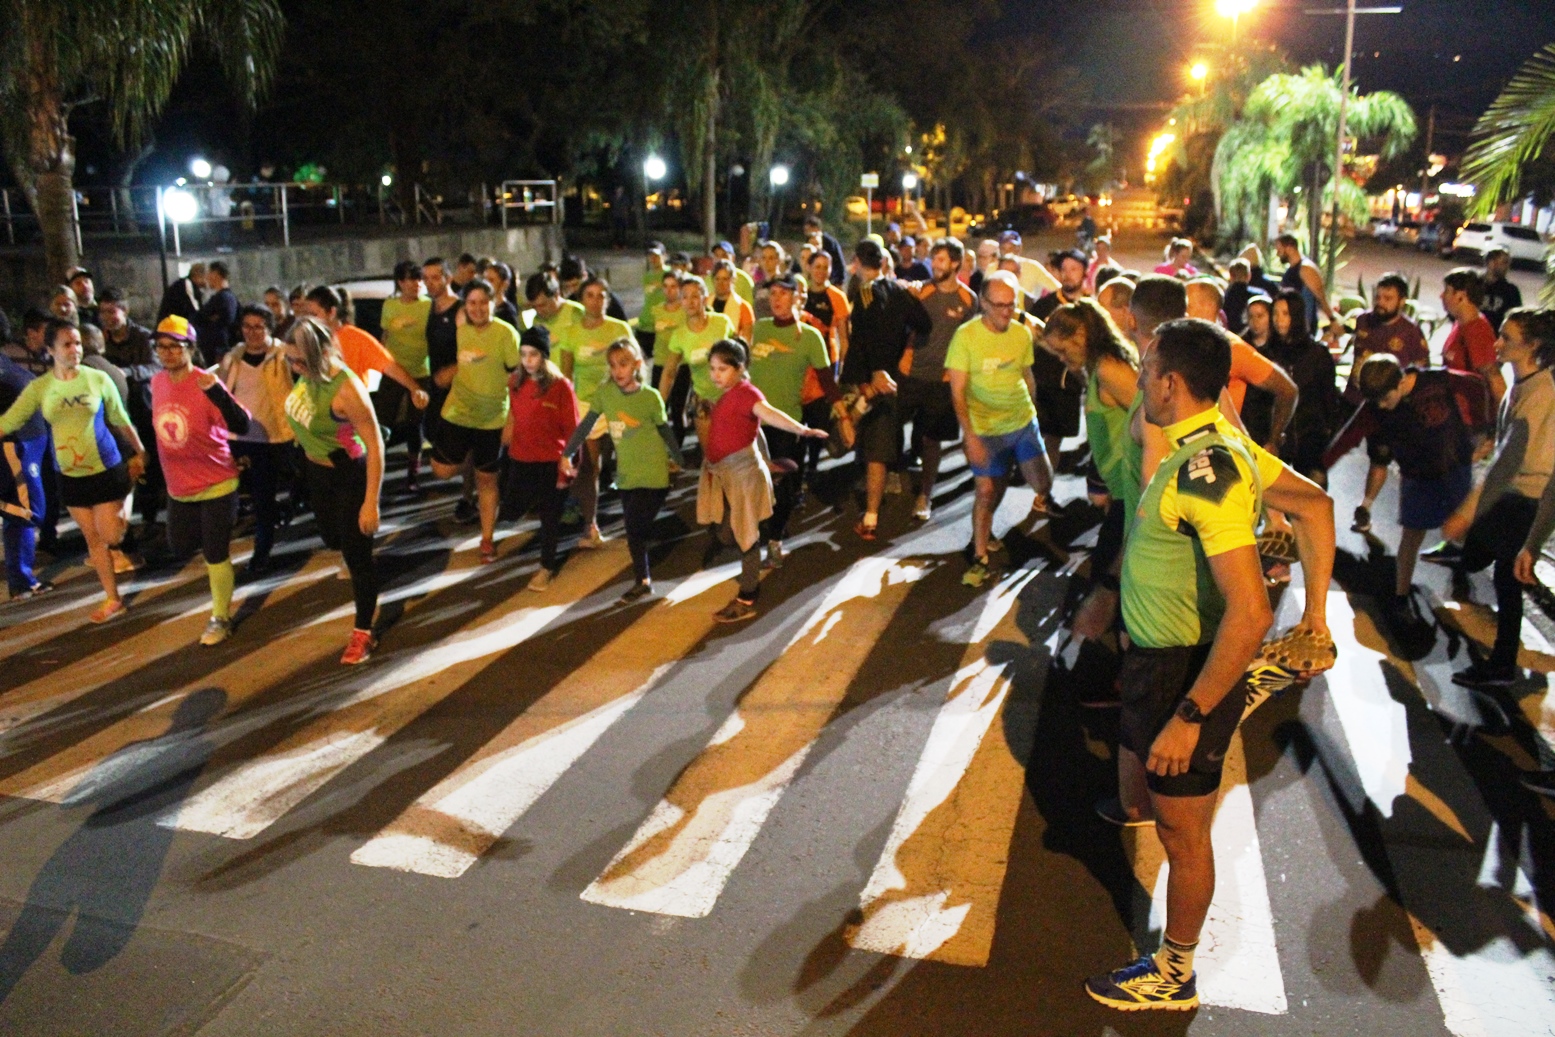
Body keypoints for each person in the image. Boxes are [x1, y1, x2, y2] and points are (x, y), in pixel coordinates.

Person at [1085, 317, 1334, 1012]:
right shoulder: (1220, 447)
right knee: (1164, 814)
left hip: (1179, 673)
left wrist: (1190, 716)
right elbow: (1314, 506)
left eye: (1145, 371)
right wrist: (1313, 616)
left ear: (1168, 382)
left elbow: (1250, 610)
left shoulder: (1210, 468)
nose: (1138, 382)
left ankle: (1173, 972)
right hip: (1158, 660)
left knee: (1182, 834)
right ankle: (1246, 683)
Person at [0, 319, 148, 623]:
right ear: (51, 349)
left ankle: (127, 494)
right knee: (94, 541)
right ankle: (113, 598)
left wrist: (140, 451)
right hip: (69, 475)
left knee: (110, 533)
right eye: (68, 344)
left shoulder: (97, 379)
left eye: (78, 343)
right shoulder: (39, 388)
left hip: (105, 468)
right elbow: (11, 420)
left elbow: (120, 418)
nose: (75, 349)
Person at [1323, 354, 1491, 619]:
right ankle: (1400, 595)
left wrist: (1484, 429)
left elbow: (1477, 384)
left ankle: (1463, 572)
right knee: (1411, 538)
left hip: (1455, 467)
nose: (1382, 406)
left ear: (1400, 382)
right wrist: (1321, 468)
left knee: (1462, 527)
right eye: (1375, 402)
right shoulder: (1375, 406)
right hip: (1417, 478)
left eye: (1386, 399)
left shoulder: (1437, 381)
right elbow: (1349, 436)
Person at [1441, 308, 1555, 688]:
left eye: (1507, 337)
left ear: (1533, 346)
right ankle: (1504, 662)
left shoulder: (1540, 393)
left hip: (1527, 498)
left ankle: (1503, 665)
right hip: (1517, 495)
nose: (1497, 342)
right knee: (1503, 577)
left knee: (1495, 570)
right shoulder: (1524, 384)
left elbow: (1506, 465)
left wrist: (1466, 513)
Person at [696, 339, 829, 622]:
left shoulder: (747, 393)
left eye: (722, 369)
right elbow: (756, 432)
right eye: (712, 369)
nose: (715, 375)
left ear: (740, 368)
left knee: (746, 538)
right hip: (724, 475)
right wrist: (767, 460)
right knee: (725, 532)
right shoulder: (729, 394)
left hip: (742, 476)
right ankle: (755, 557)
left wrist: (802, 430)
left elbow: (768, 416)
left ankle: (747, 596)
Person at [282, 316, 386, 664]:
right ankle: (364, 570)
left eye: (299, 361)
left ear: (319, 355)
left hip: (348, 475)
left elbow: (374, 445)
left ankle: (363, 631)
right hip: (317, 471)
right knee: (333, 540)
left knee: (357, 556)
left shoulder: (346, 389)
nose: (293, 367)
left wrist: (371, 502)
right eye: (290, 360)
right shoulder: (306, 376)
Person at [150, 316, 253, 646]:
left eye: (174, 346)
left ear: (190, 349)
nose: (166, 353)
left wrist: (218, 395)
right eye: (161, 346)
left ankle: (220, 617)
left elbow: (242, 422)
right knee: (179, 545)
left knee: (215, 553)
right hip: (178, 486)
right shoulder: (156, 383)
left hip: (217, 482)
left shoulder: (206, 383)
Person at [948, 271, 1055, 587]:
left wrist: (1033, 410)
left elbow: (1028, 375)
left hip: (1022, 422)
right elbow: (957, 393)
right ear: (983, 303)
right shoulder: (965, 337)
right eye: (998, 305)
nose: (1006, 312)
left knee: (1042, 484)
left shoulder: (1021, 334)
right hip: (984, 428)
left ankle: (1032, 495)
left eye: (1011, 305)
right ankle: (980, 554)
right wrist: (970, 436)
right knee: (986, 490)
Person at [1042, 299, 1139, 641]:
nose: (1061, 358)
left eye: (1063, 349)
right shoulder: (1099, 368)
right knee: (1112, 579)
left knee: (1112, 582)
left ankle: (1116, 675)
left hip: (1134, 493)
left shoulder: (1112, 371)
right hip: (1121, 492)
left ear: (1081, 334)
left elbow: (1155, 422)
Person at [564, 339, 682, 602]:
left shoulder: (650, 398)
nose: (618, 370)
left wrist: (679, 458)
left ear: (637, 365)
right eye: (613, 365)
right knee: (633, 530)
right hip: (627, 476)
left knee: (637, 527)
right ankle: (643, 580)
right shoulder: (605, 394)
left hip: (653, 475)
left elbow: (665, 430)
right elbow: (586, 425)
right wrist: (568, 452)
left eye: (624, 364)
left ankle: (643, 577)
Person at [748, 274, 842, 566]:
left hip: (787, 425)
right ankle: (756, 536)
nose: (776, 299)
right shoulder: (760, 329)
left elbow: (827, 381)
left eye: (784, 293)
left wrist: (843, 417)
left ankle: (774, 540)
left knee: (785, 484)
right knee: (754, 484)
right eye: (773, 293)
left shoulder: (810, 336)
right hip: (753, 424)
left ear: (797, 297)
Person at [843, 239, 933, 540]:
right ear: (882, 262)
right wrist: (904, 348)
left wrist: (866, 377)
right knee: (879, 441)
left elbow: (863, 340)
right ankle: (873, 501)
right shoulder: (898, 291)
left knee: (867, 443)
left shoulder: (864, 293)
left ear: (857, 262)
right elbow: (923, 323)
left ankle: (870, 515)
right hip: (895, 376)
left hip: (870, 378)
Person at [430, 281, 522, 563]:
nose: (478, 308)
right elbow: (446, 368)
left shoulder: (506, 333)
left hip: (492, 420)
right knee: (442, 471)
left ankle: (486, 540)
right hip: (457, 414)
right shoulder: (459, 332)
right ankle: (466, 458)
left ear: (493, 303)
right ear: (464, 305)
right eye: (472, 303)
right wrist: (452, 371)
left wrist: (511, 419)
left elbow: (516, 377)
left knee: (487, 480)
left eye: (484, 302)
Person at [901, 238, 976, 522]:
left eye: (941, 260)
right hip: (911, 373)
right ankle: (895, 472)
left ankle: (925, 495)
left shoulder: (969, 300)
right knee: (895, 426)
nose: (935, 265)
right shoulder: (922, 291)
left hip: (944, 380)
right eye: (934, 259)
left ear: (955, 263)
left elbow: (970, 341)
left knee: (933, 439)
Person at [558, 275, 637, 546]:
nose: (596, 301)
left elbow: (635, 368)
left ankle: (638, 522)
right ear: (581, 300)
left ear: (608, 299)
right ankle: (591, 526)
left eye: (601, 295)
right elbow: (566, 375)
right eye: (590, 295)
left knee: (624, 462)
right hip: (586, 407)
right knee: (590, 467)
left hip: (616, 403)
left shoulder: (619, 328)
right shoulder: (571, 332)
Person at [220, 305, 296, 574]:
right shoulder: (233, 358)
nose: (252, 332)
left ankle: (261, 553)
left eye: (258, 326)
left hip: (272, 438)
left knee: (264, 498)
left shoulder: (283, 355)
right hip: (239, 438)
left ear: (269, 327)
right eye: (247, 326)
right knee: (238, 496)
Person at [503, 325, 573, 591]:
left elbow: (572, 429)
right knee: (512, 509)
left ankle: (547, 566)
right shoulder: (515, 382)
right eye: (523, 354)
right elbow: (514, 414)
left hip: (550, 461)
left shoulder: (560, 387)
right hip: (521, 458)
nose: (528, 360)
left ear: (544, 356)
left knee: (550, 517)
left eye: (533, 354)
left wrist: (567, 464)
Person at [300, 286, 430, 414]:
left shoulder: (356, 338)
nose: (309, 320)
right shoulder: (312, 339)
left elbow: (389, 366)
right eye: (306, 315)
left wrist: (415, 389)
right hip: (320, 415)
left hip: (350, 415)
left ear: (332, 312)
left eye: (314, 314)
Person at [1267, 288, 1339, 484]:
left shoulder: (1317, 355)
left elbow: (1329, 400)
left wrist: (1327, 437)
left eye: (1285, 314)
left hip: (1309, 440)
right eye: (1275, 313)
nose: (1278, 320)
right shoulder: (1268, 354)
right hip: (1277, 440)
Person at [658, 274, 736, 453]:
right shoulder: (680, 335)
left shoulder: (721, 323)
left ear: (704, 297)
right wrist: (660, 404)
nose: (690, 301)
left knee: (734, 453)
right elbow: (669, 372)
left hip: (729, 396)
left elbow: (739, 354)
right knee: (710, 456)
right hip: (703, 399)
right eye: (685, 297)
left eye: (695, 295)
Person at [1028, 249, 1091, 471]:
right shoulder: (1044, 305)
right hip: (1042, 384)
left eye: (1074, 269)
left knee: (1055, 440)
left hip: (1070, 387)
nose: (1067, 274)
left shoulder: (1091, 308)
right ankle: (1041, 493)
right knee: (1042, 439)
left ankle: (1045, 491)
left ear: (1085, 272)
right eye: (1063, 269)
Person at [378, 260, 433, 493]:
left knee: (414, 424)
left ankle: (414, 471)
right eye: (412, 279)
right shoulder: (390, 305)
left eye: (420, 279)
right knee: (383, 421)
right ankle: (376, 469)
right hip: (393, 371)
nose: (417, 284)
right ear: (400, 282)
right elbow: (385, 335)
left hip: (421, 372)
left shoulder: (429, 305)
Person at [423, 257, 472, 521]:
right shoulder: (430, 309)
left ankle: (470, 496)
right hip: (438, 391)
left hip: (461, 391)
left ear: (448, 278)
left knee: (459, 453)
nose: (430, 283)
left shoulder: (461, 311)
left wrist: (452, 371)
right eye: (426, 278)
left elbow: (473, 350)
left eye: (435, 277)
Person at [0, 347, 50, 599]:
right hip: (14, 443)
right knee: (26, 510)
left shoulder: (6, 360)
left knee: (25, 510)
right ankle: (21, 580)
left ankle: (21, 579)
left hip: (30, 442)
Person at [1440, 267, 1507, 407]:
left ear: (1461, 296)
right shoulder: (1460, 324)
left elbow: (1493, 377)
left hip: (1472, 420)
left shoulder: (1477, 331)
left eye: (1446, 291)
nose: (1441, 296)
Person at [1272, 233, 1338, 337]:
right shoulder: (1291, 270)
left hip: (1303, 328)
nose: (1277, 254)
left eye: (1279, 250)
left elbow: (1321, 296)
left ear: (1289, 248)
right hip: (1289, 326)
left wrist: (1332, 320)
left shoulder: (1306, 269)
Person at [193, 261, 238, 364]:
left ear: (215, 273)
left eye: (209, 272)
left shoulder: (224, 298)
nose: (207, 277)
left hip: (218, 350)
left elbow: (203, 319)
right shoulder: (223, 297)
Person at [708, 260, 755, 341]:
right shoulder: (705, 303)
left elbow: (747, 339)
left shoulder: (743, 307)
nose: (721, 283)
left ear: (733, 280)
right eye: (717, 279)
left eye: (725, 279)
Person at [1480, 247, 1522, 333]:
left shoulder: (1511, 291)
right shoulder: (1474, 285)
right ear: (1491, 263)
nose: (1507, 267)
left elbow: (1516, 319)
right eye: (1504, 263)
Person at [803, 214, 846, 285]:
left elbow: (840, 265)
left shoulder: (830, 243)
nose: (806, 232)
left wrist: (838, 282)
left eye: (808, 230)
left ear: (817, 229)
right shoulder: (807, 241)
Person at [484, 261, 521, 326]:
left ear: (504, 284)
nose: (486, 284)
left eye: (491, 280)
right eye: (485, 280)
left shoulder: (508, 313)